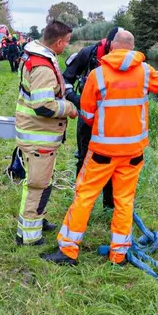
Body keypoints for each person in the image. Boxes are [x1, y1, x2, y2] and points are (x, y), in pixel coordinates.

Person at [42, 30, 158, 266]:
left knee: (85, 196)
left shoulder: (98, 75)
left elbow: (87, 115)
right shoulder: (145, 72)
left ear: (111, 47)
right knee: (124, 201)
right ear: (132, 48)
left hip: (103, 152)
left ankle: (68, 251)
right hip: (133, 152)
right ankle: (118, 254)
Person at [14, 19, 78, 246]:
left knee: (41, 182)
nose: (67, 46)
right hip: (38, 136)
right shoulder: (42, 67)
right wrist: (69, 108)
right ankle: (30, 237)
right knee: (37, 185)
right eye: (67, 42)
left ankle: (35, 221)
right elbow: (43, 106)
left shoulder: (39, 58)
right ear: (59, 42)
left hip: (36, 134)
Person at [62, 27, 121, 209]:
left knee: (111, 160)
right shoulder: (88, 54)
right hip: (87, 116)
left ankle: (108, 204)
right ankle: (80, 199)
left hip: (113, 120)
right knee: (84, 156)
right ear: (110, 43)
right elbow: (65, 80)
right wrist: (77, 100)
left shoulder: (125, 60)